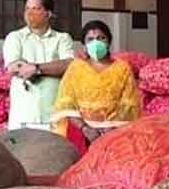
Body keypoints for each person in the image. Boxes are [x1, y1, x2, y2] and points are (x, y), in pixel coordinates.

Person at [52, 20, 141, 154]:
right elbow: (66, 104)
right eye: (90, 39)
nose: (96, 43)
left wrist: (110, 128)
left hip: (114, 132)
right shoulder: (76, 68)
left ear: (109, 42)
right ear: (84, 45)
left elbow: (129, 105)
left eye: (101, 38)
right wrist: (85, 128)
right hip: (80, 131)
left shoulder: (122, 68)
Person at [3, 0, 74, 130]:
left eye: (36, 8)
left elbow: (69, 65)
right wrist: (52, 67)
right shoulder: (15, 37)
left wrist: (36, 68)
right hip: (23, 115)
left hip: (54, 115)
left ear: (48, 14)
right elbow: (13, 66)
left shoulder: (62, 38)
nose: (30, 13)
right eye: (27, 8)